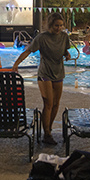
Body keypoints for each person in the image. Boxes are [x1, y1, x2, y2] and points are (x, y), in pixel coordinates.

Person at [13, 12, 72, 145]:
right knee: (48, 104)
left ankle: (48, 129)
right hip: (45, 74)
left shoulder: (64, 37)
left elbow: (65, 51)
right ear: (50, 25)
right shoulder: (41, 38)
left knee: (56, 104)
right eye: (56, 25)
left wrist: (67, 54)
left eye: (61, 25)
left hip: (59, 73)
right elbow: (28, 51)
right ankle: (47, 133)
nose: (59, 28)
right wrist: (16, 63)